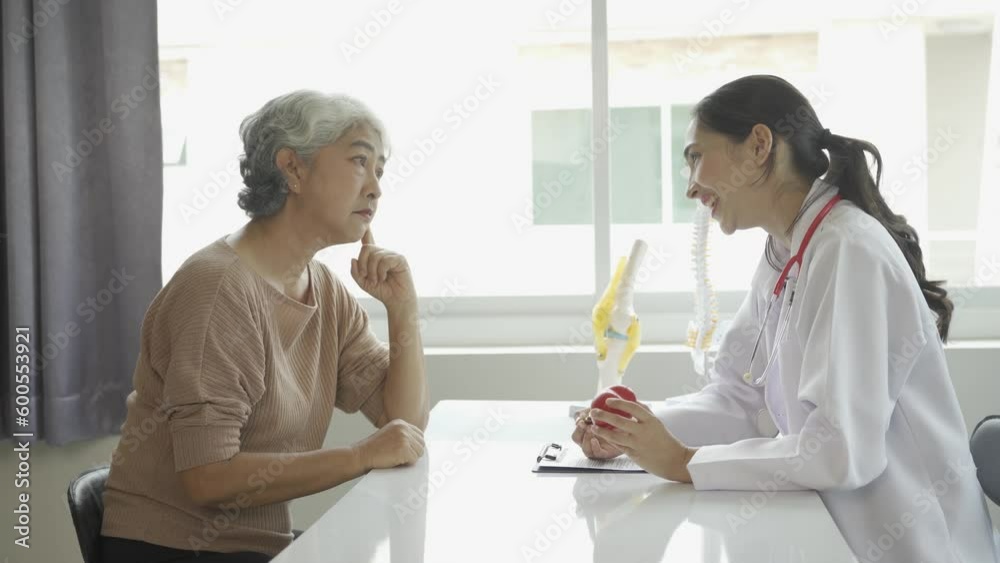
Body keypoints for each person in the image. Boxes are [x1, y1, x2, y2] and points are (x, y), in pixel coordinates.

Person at [572, 75, 999, 563]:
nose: (691, 186)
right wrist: (633, 431)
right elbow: (740, 402)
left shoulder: (848, 249)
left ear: (759, 145)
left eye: (696, 157)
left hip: (915, 548)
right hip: (837, 536)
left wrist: (686, 462)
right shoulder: (787, 250)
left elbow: (840, 452)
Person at [100, 90, 429, 562]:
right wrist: (359, 456)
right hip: (172, 550)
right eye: (360, 161)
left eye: (380, 169)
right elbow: (208, 477)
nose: (376, 187)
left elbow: (404, 427)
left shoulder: (324, 288)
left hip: (257, 547)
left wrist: (403, 309)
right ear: (293, 168)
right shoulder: (218, 290)